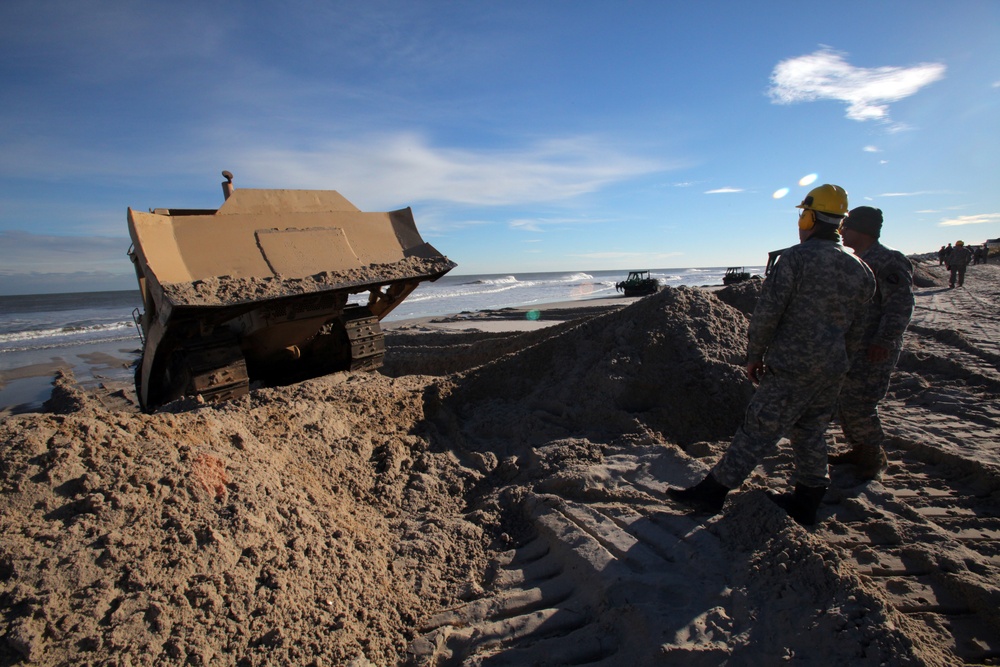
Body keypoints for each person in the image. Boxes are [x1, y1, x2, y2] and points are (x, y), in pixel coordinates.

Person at [668, 184, 875, 526]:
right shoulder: (860, 268)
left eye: (802, 214)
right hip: (833, 368)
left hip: (793, 366)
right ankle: (808, 498)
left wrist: (754, 355)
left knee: (758, 428)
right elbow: (858, 328)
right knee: (811, 430)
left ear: (809, 216)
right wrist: (842, 362)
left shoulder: (794, 259)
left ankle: (713, 492)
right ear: (839, 222)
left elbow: (768, 313)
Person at [829, 207, 914, 480]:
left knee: (860, 403)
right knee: (846, 400)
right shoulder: (858, 260)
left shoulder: (887, 261)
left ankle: (873, 456)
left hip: (874, 347)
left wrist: (884, 340)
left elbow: (900, 305)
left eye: (846, 226)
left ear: (862, 229)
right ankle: (860, 449)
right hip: (854, 346)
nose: (841, 232)